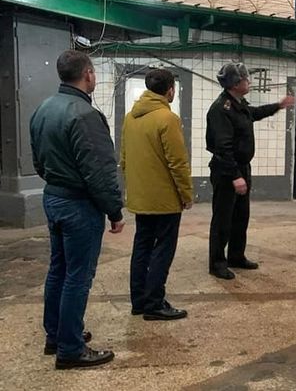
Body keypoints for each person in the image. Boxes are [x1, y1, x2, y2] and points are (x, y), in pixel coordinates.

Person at [30, 49, 124, 369]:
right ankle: (70, 349)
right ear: (87, 74)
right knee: (78, 276)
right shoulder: (85, 115)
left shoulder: (43, 108)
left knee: (58, 269)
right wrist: (114, 210)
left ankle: (56, 335)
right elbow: (99, 171)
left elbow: (38, 161)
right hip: (78, 206)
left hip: (53, 197)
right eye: (93, 72)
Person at [206, 63, 295, 279]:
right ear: (235, 84)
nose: (249, 81)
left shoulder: (239, 104)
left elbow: (254, 113)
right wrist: (235, 176)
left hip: (241, 168)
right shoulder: (221, 109)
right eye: (246, 79)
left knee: (240, 216)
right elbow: (223, 147)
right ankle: (217, 263)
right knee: (223, 219)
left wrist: (278, 106)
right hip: (227, 171)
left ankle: (236, 256)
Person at [120, 69, 192, 321]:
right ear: (170, 90)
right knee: (163, 249)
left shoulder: (130, 117)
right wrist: (186, 193)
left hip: (140, 196)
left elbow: (124, 158)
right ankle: (154, 303)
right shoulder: (167, 118)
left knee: (141, 246)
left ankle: (139, 301)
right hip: (164, 199)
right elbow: (177, 162)